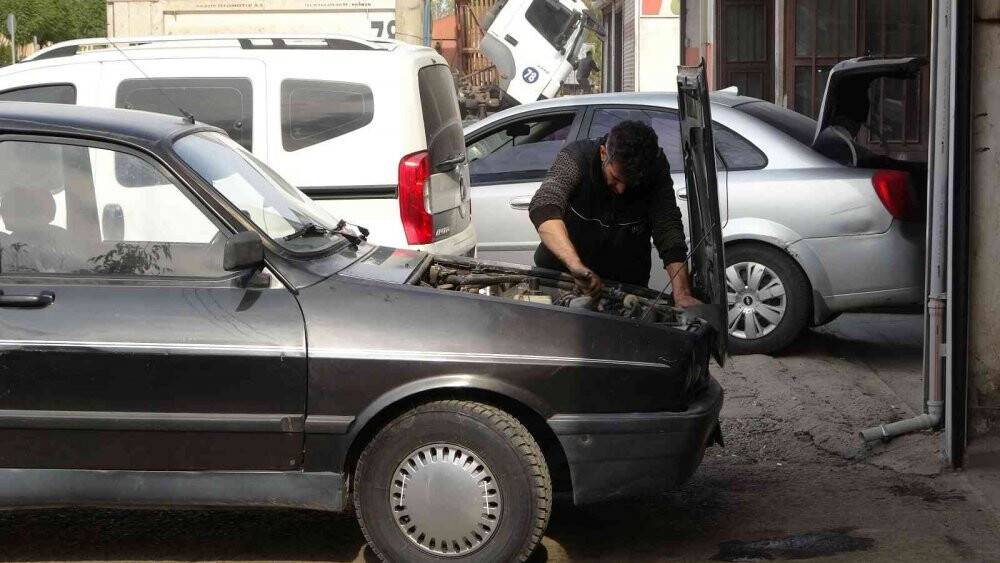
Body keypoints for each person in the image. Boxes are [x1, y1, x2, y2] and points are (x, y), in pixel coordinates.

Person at [528, 120, 701, 307]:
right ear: (604, 153)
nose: (621, 190)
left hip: (624, 288)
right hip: (562, 276)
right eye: (616, 178)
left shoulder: (655, 168)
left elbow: (668, 227)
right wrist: (576, 266)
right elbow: (544, 205)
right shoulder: (577, 157)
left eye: (632, 182)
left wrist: (682, 293)